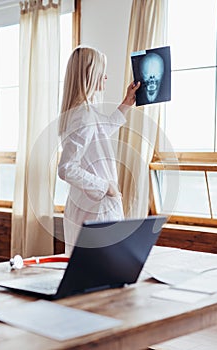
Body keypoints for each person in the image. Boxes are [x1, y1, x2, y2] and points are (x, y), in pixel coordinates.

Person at [58, 45, 140, 255]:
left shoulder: (84, 112)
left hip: (92, 207)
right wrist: (106, 187)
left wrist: (126, 104)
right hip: (95, 209)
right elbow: (66, 168)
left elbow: (100, 133)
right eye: (102, 72)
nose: (106, 77)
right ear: (90, 74)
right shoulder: (83, 114)